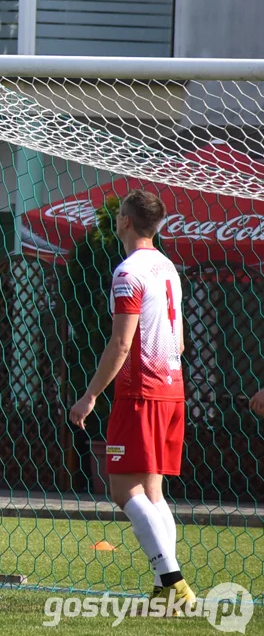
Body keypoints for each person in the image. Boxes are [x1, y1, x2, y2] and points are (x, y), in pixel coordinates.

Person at [68, 189, 196, 609]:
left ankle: (173, 581)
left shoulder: (128, 272)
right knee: (153, 493)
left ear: (125, 221)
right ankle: (165, 586)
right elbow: (177, 340)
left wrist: (89, 396)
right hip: (171, 388)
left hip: (140, 392)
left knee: (124, 491)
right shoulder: (168, 268)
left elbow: (121, 344)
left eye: (119, 213)